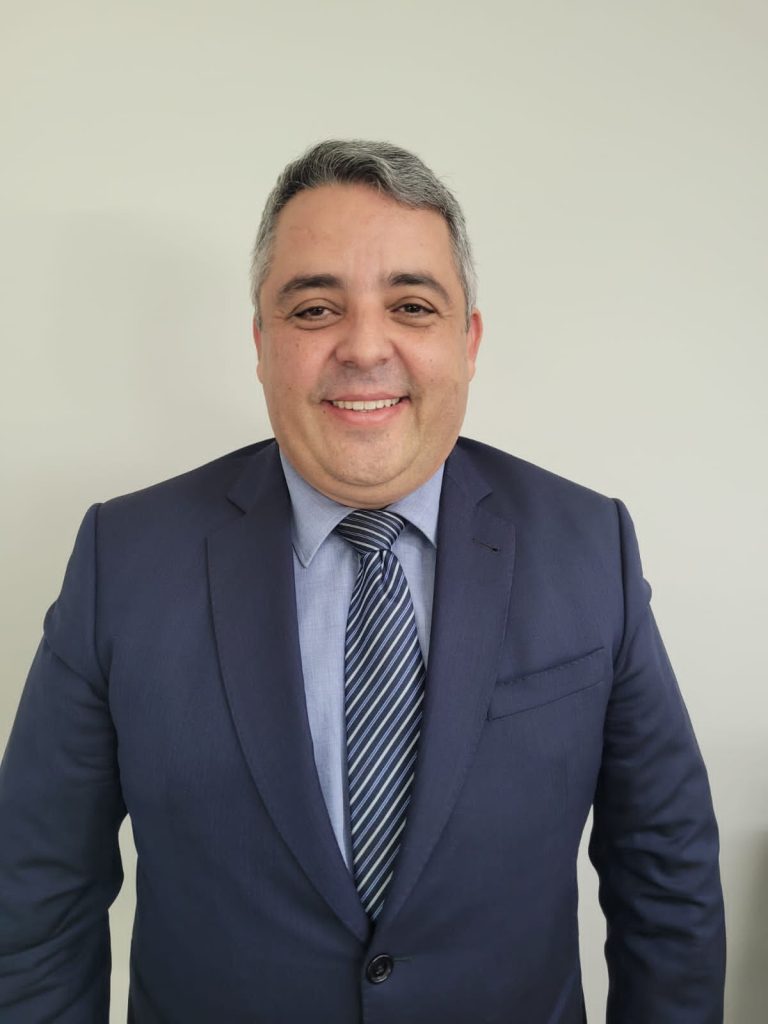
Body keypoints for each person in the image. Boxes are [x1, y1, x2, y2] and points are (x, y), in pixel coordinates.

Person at [0, 140, 725, 1023]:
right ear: (261, 344)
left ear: (468, 341)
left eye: (412, 306)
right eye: (314, 309)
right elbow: (36, 895)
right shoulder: (123, 558)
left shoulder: (589, 545)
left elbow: (666, 874)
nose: (365, 347)